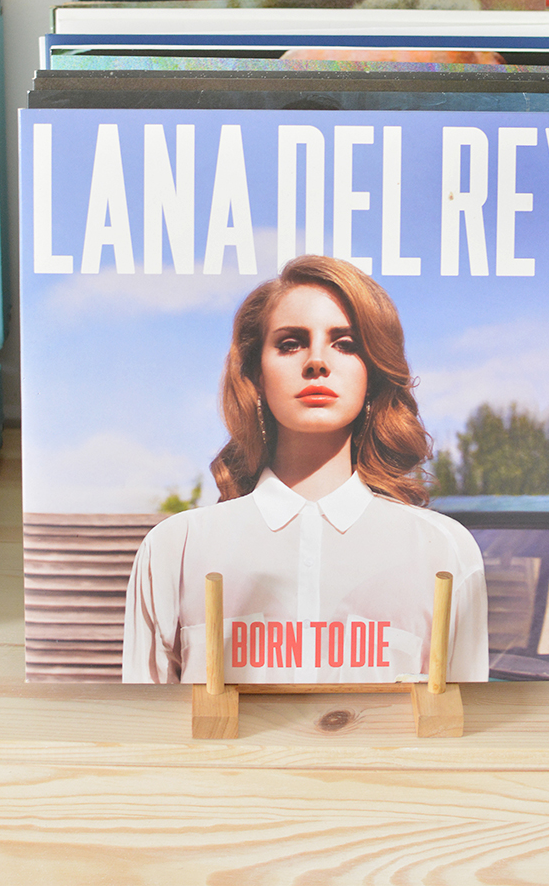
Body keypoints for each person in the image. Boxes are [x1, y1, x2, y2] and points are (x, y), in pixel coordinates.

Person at [122, 255, 488, 684]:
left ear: (372, 374)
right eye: (291, 343)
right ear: (256, 374)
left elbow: (464, 720)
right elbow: (144, 719)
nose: (317, 362)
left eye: (345, 344)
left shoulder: (445, 552)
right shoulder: (176, 549)